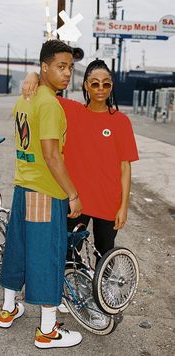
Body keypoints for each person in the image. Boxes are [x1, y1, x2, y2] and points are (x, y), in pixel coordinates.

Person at [0, 39, 82, 349]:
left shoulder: (26, 98)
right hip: (45, 193)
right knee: (47, 256)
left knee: (17, 249)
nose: (67, 74)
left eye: (70, 68)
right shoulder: (48, 104)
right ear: (44, 67)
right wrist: (72, 193)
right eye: (60, 67)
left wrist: (35, 77)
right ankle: (47, 331)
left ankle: (8, 309)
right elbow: (51, 155)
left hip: (23, 187)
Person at [23, 59, 139, 266]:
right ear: (85, 85)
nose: (100, 89)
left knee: (104, 255)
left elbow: (125, 167)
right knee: (68, 253)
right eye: (95, 83)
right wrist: (33, 76)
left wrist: (124, 207)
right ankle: (74, 294)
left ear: (112, 86)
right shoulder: (70, 111)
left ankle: (101, 295)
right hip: (76, 201)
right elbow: (44, 89)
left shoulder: (121, 122)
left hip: (108, 203)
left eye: (106, 84)